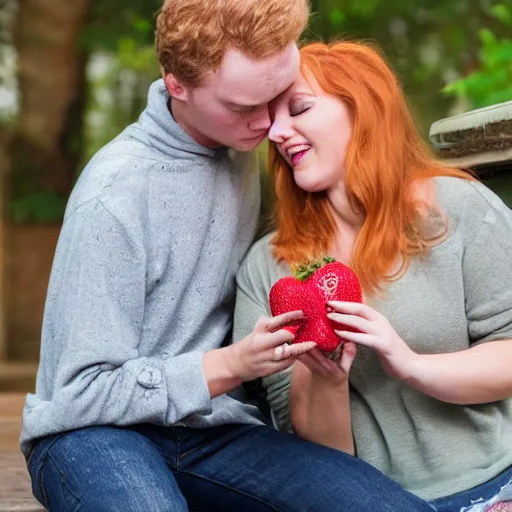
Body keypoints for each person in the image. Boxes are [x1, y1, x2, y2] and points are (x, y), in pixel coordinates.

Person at [20, 1, 434, 510]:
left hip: (213, 431)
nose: (269, 126)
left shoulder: (238, 149)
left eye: (278, 96)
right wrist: (232, 364)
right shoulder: (114, 194)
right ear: (178, 86)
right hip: (92, 434)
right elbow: (78, 393)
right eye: (244, 107)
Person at [233, 40, 512, 512]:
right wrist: (323, 378)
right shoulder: (267, 268)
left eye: (298, 108)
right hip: (373, 501)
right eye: (271, 118)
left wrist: (410, 364)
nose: (276, 132)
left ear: (362, 108)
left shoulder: (460, 209)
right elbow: (320, 459)